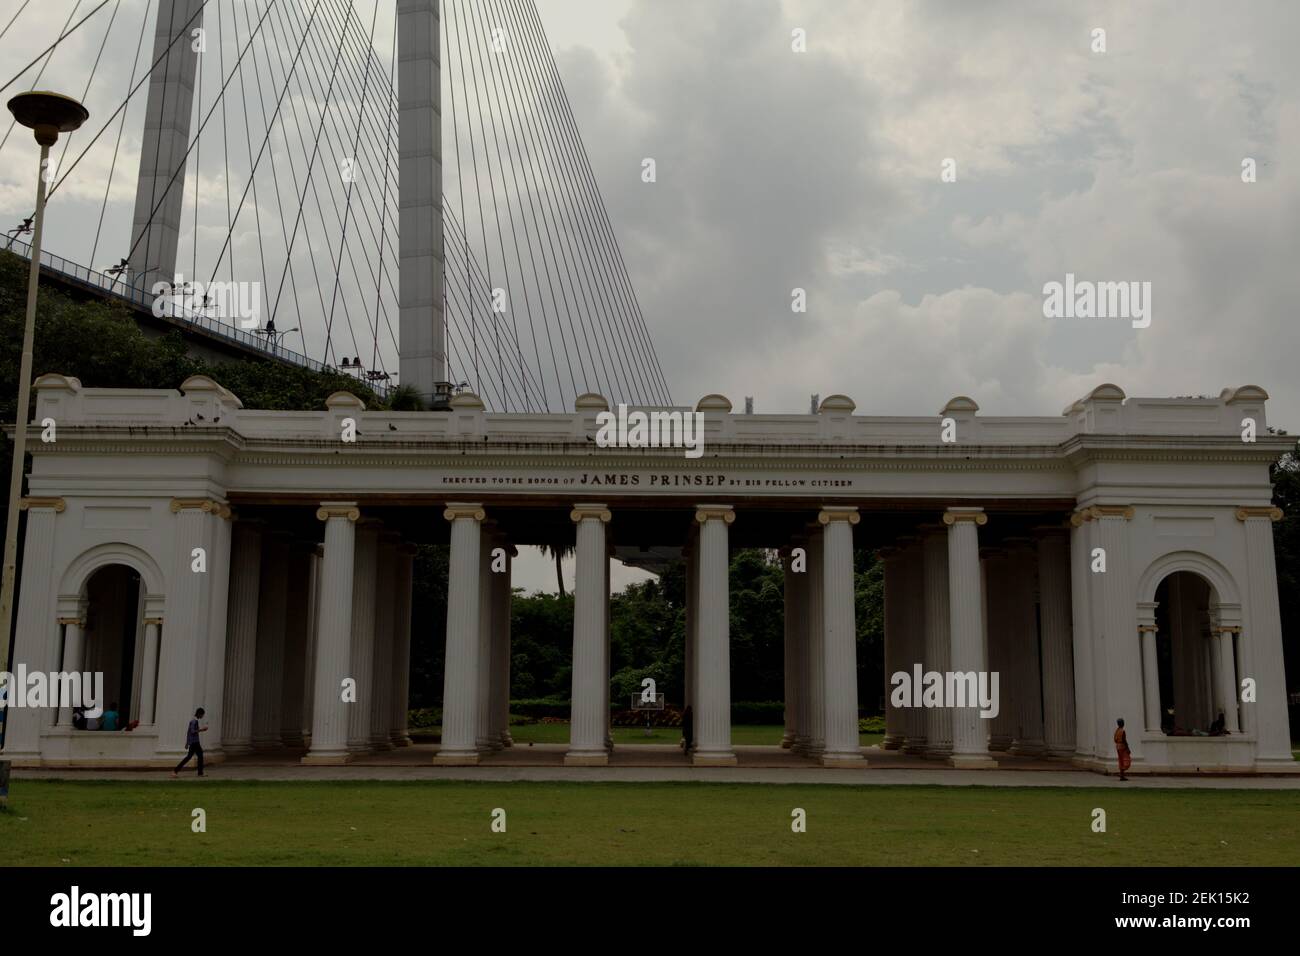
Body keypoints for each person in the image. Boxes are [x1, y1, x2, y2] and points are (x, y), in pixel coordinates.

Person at [171, 707, 208, 778]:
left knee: (190, 757)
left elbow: (188, 732)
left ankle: (175, 771)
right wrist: (202, 729)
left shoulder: (193, 721)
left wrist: (187, 743)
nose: (202, 716)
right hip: (195, 742)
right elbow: (192, 731)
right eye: (202, 715)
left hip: (193, 742)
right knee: (199, 756)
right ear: (199, 714)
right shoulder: (194, 721)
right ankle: (200, 773)